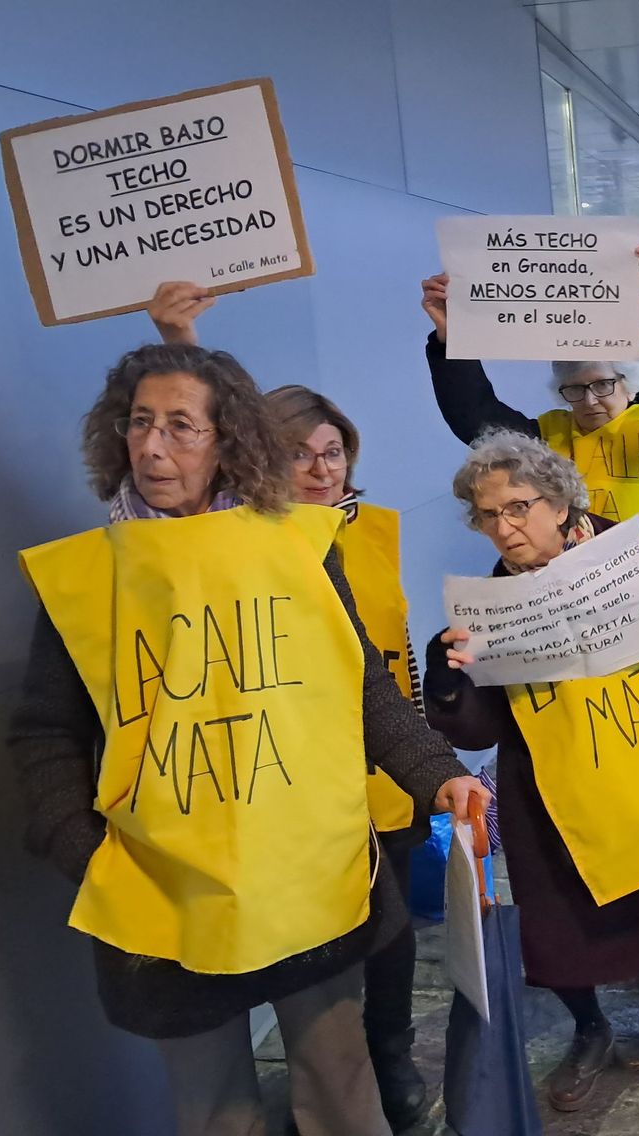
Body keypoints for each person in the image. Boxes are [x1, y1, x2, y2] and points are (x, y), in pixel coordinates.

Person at [8, 342, 489, 1136]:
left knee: (341, 1083)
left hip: (306, 868)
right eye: (139, 423)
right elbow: (44, 732)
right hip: (162, 887)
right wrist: (83, 848)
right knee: (216, 1113)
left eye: (181, 426)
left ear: (228, 438)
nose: (153, 446)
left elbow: (362, 682)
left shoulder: (297, 546)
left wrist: (438, 775)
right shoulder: (89, 575)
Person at [149, 283, 438, 1130]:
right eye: (301, 454)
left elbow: (382, 666)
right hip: (287, 787)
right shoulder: (248, 544)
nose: (321, 469)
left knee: (387, 948)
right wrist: (181, 338)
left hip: (379, 774)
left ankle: (391, 1060)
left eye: (333, 451)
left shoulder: (371, 530)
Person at [421, 430, 639, 1113]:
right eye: (487, 514)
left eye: (517, 507)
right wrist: (448, 680)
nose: (502, 527)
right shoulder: (489, 606)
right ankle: (590, 1028)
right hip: (553, 793)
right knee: (567, 930)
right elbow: (480, 727)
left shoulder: (626, 561)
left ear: (562, 502)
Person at [419, 255, 639, 595]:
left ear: (629, 382)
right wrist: (452, 337)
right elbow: (474, 414)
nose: (589, 401)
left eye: (603, 385)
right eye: (575, 390)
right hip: (571, 599)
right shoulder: (548, 436)